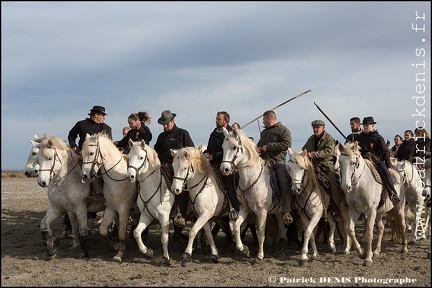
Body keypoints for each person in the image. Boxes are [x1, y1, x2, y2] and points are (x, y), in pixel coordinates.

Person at [154, 110, 195, 242]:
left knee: (179, 188)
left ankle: (181, 215)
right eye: (163, 124)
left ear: (173, 121)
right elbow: (156, 151)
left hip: (178, 169)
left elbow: (191, 151)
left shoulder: (183, 133)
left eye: (166, 124)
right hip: (163, 166)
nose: (165, 126)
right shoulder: (161, 136)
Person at [302, 119, 346, 221]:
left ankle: (337, 210)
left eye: (317, 128)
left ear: (323, 128)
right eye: (314, 128)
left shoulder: (329, 138)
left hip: (326, 166)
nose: (315, 130)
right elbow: (304, 149)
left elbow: (329, 151)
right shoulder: (311, 139)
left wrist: (313, 154)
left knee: (333, 187)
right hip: (313, 167)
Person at [256, 110, 293, 225]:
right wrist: (258, 148)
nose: (263, 122)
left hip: (278, 161)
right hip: (263, 160)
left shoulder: (283, 130)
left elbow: (287, 144)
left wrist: (269, 146)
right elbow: (260, 143)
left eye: (264, 120)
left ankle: (286, 210)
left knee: (283, 181)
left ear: (269, 119)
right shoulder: (264, 132)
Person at [203, 111, 240, 220]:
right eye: (216, 119)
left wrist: (214, 156)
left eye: (219, 119)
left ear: (226, 121)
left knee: (228, 184)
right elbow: (209, 148)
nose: (216, 121)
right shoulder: (213, 133)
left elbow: (229, 151)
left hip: (225, 163)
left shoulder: (231, 133)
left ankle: (234, 208)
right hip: (212, 163)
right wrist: (206, 152)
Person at [357, 117, 400, 204]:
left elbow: (385, 152)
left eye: (367, 125)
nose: (365, 127)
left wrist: (389, 166)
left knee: (385, 172)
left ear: (372, 126)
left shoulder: (378, 137)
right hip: (362, 159)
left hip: (376, 160)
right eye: (364, 125)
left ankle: (393, 193)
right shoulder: (360, 137)